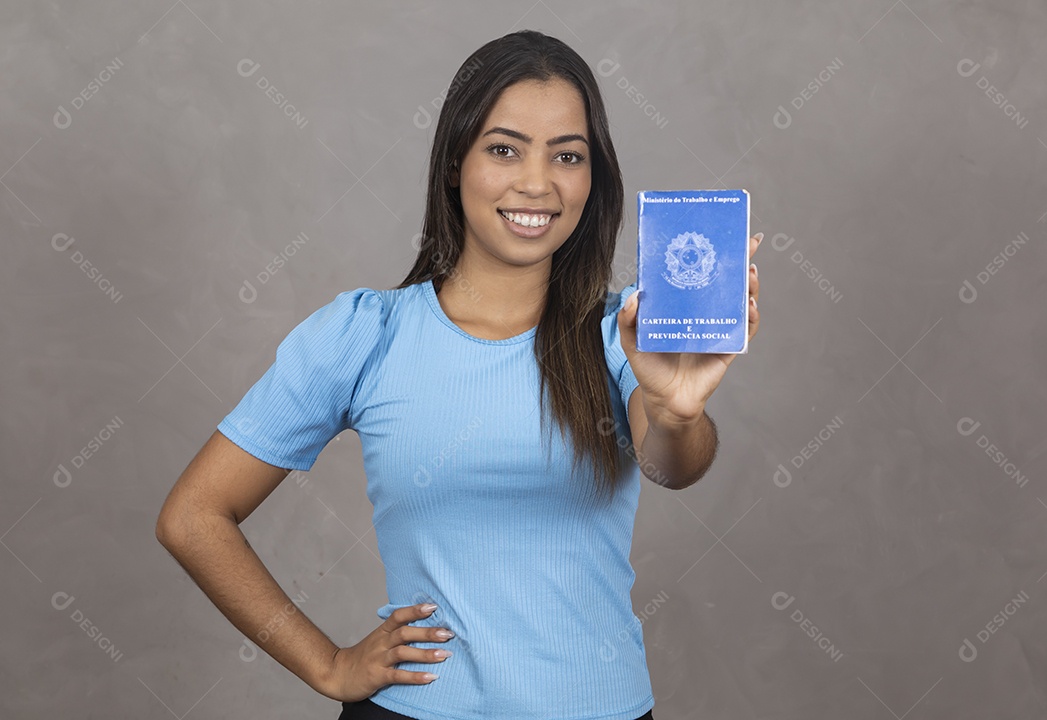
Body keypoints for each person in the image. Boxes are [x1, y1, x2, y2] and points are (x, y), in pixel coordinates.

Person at [155, 29, 761, 720]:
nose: (536, 183)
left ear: (593, 181)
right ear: (454, 162)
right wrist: (327, 664)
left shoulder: (622, 333)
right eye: (504, 149)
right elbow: (193, 517)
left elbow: (673, 465)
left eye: (567, 156)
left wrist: (678, 410)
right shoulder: (364, 334)